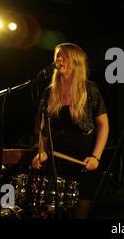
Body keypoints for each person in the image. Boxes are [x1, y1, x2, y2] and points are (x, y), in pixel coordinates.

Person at [31, 43, 109, 218]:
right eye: (57, 55)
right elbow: (43, 127)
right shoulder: (48, 92)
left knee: (80, 212)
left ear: (75, 62)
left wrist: (96, 157)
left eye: (64, 56)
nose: (59, 59)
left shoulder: (90, 89)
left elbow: (104, 125)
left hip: (83, 159)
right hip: (55, 158)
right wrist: (42, 152)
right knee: (50, 211)